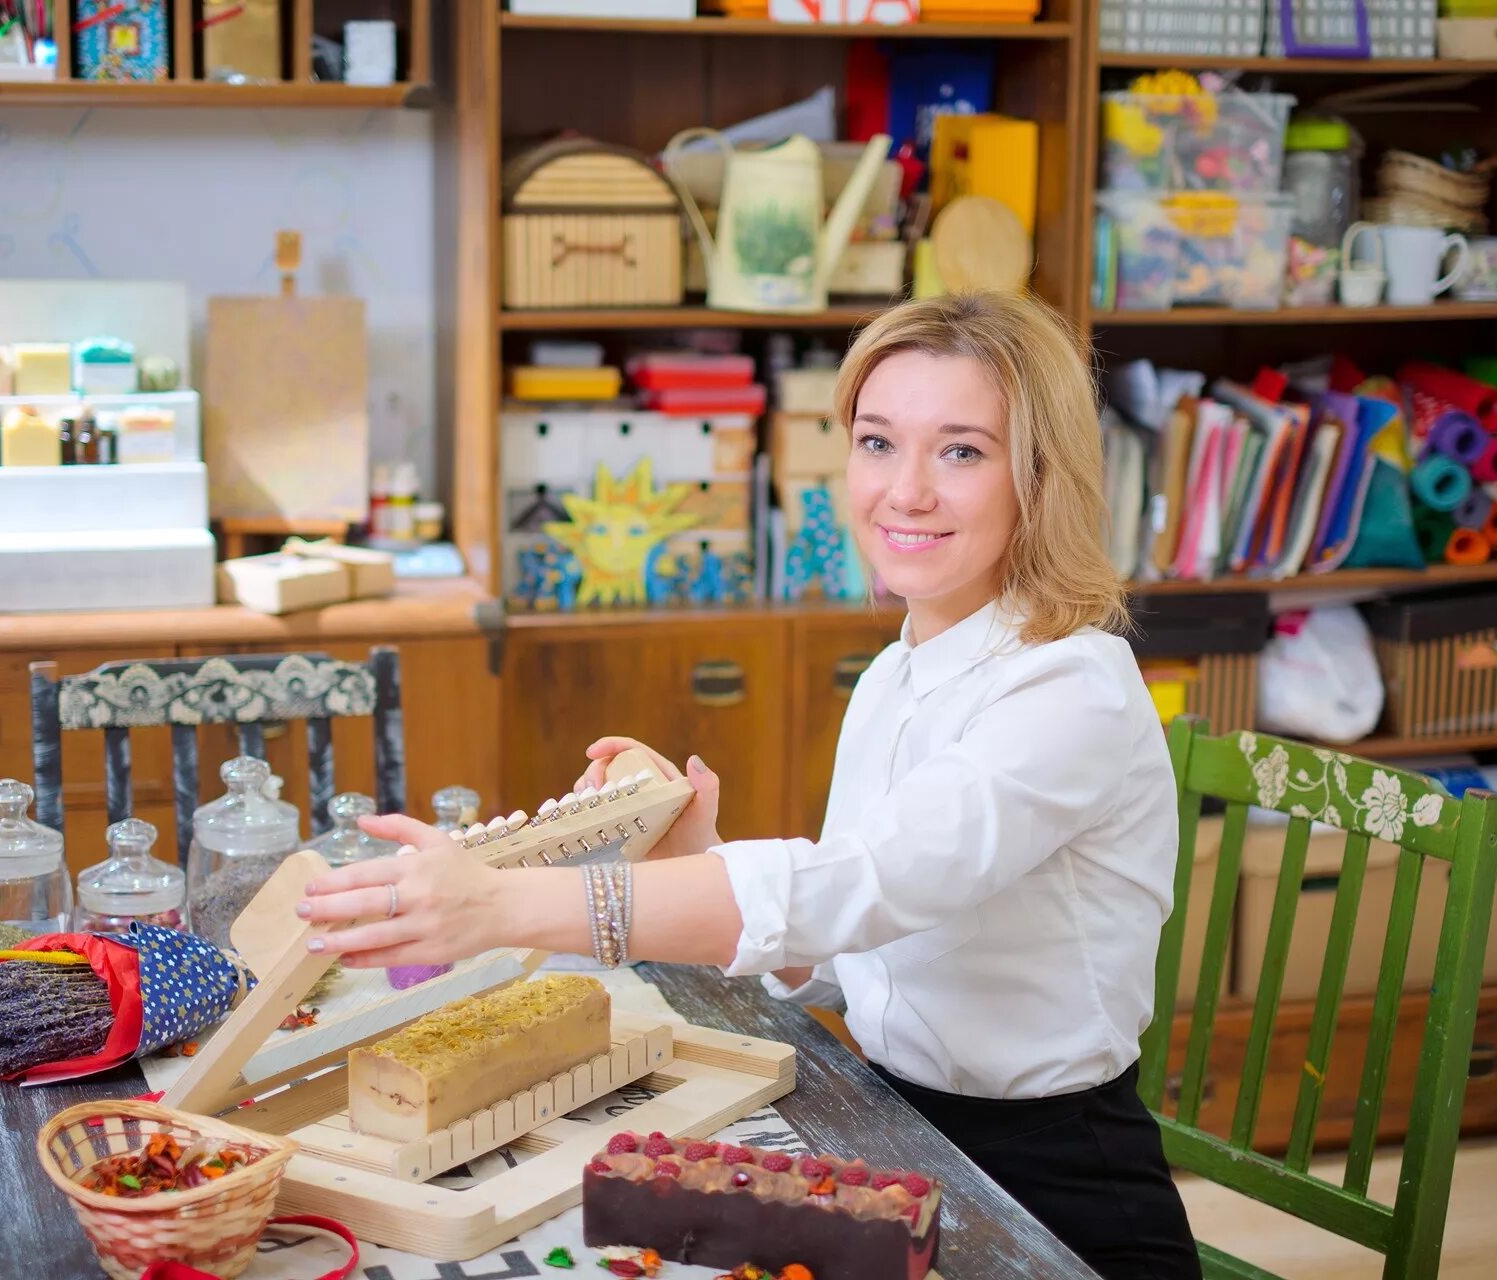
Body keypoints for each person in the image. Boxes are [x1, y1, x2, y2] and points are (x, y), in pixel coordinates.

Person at [297, 291, 1200, 1279]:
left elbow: (860, 882)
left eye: (962, 451)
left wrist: (503, 902)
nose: (904, 492)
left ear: (1041, 475)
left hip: (1055, 1192)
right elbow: (847, 948)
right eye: (876, 441)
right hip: (897, 1137)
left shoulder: (1071, 688)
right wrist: (700, 853)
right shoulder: (902, 670)